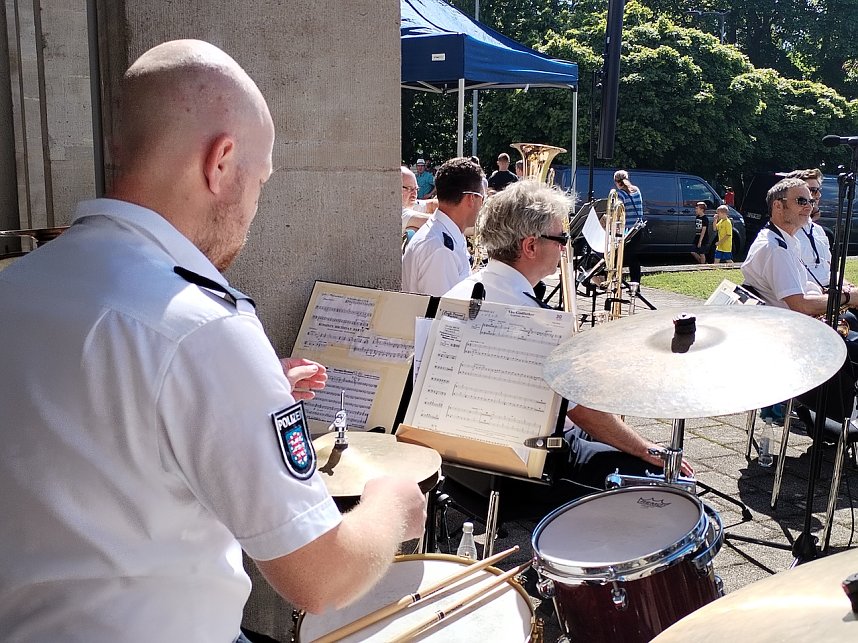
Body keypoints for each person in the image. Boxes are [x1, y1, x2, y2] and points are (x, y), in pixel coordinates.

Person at [0, 40, 426, 642]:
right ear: (220, 162)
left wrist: (240, 393)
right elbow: (322, 578)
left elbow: (86, 427)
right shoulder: (204, 325)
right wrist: (393, 503)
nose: (253, 209)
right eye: (260, 180)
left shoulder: (18, 284)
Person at [445, 180, 692, 490]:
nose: (564, 248)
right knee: (668, 480)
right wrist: (645, 448)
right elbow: (583, 412)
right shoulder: (537, 322)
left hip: (460, 462)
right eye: (561, 238)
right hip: (526, 467)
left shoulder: (458, 292)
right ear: (530, 246)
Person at [402, 157, 485, 296]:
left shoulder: (444, 234)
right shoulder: (440, 249)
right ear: (471, 198)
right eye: (482, 198)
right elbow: (443, 308)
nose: (482, 205)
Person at [787, 168, 831, 288]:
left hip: (829, 290)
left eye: (818, 190)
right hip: (809, 292)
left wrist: (848, 288)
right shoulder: (786, 231)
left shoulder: (818, 230)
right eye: (812, 190)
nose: (818, 195)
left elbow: (829, 268)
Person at [613, 170, 644, 282]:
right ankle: (635, 283)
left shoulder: (620, 194)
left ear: (616, 182)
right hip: (638, 229)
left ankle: (616, 280)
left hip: (626, 231)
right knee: (633, 257)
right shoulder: (637, 190)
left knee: (617, 257)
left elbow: (617, 214)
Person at [401, 165, 430, 233]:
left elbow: (431, 205)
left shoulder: (409, 203)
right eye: (409, 188)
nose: (414, 193)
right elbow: (435, 223)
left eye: (416, 189)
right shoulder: (398, 212)